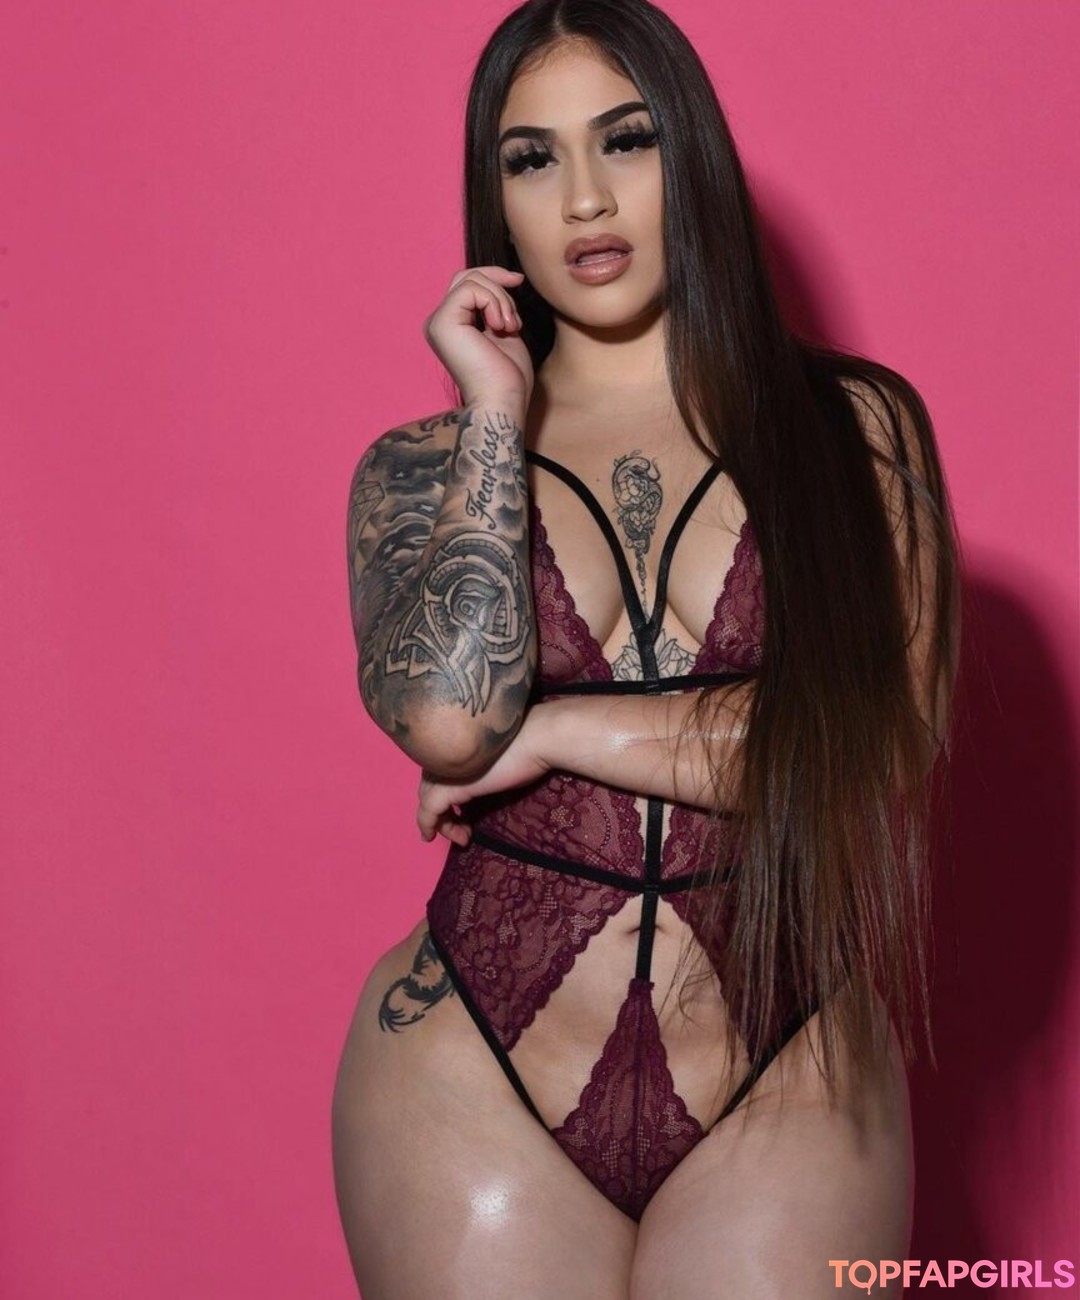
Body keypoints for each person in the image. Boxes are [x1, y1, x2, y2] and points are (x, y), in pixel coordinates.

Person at [331, 1, 961, 1295]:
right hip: (470, 1067)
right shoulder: (422, 469)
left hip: (792, 1066)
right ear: (497, 204)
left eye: (626, 140)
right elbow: (448, 724)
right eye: (532, 158)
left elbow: (872, 748)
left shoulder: (856, 430)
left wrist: (558, 730)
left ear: (693, 154)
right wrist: (492, 411)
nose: (584, 198)